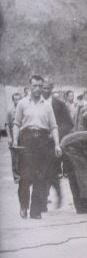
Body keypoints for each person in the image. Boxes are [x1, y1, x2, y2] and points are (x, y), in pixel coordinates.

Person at [12, 75, 61, 219]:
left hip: (42, 142)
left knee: (41, 177)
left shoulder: (47, 105)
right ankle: (23, 206)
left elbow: (53, 126)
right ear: (29, 86)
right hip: (26, 141)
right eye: (35, 86)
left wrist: (57, 144)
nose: (38, 89)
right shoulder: (22, 103)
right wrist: (15, 139)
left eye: (40, 86)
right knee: (25, 177)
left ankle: (35, 210)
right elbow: (16, 123)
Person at [42, 77, 74, 211]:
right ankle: (44, 199)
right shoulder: (34, 103)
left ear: (52, 88)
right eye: (43, 88)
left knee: (51, 171)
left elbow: (68, 123)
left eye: (48, 88)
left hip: (53, 144)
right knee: (39, 172)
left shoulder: (59, 104)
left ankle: (50, 197)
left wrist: (55, 133)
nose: (45, 90)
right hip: (38, 144)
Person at [7, 92, 23, 183]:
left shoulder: (23, 110)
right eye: (15, 99)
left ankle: (25, 176)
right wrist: (9, 137)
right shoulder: (10, 111)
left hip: (23, 136)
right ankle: (16, 177)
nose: (17, 101)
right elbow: (7, 125)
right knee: (15, 157)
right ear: (13, 100)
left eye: (19, 99)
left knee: (24, 156)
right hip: (13, 136)